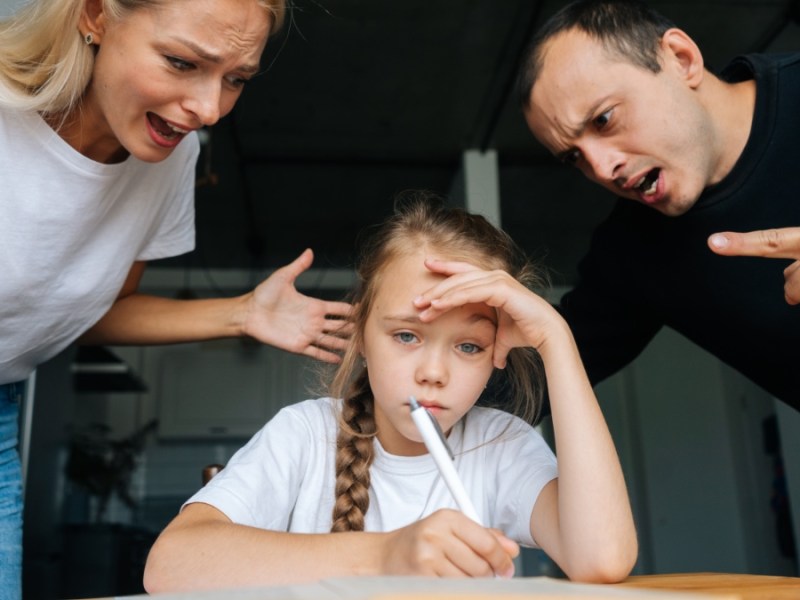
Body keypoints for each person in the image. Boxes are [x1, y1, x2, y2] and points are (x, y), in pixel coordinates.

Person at [0, 0, 351, 597]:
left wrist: (242, 313)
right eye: (182, 62)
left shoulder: (169, 157)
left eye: (236, 79)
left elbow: (98, 310)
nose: (210, 109)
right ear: (94, 16)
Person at [142, 196, 638, 593]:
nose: (433, 373)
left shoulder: (500, 444)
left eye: (469, 346)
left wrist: (558, 341)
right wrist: (385, 556)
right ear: (361, 335)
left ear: (496, 352)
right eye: (406, 336)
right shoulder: (306, 435)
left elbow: (602, 559)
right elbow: (169, 566)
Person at [515, 0, 800, 407]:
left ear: (682, 60)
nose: (601, 167)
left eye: (603, 119)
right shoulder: (633, 251)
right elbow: (531, 382)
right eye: (574, 157)